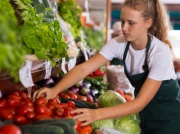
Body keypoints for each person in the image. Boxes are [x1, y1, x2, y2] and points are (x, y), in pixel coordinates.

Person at [33, 0, 180, 133]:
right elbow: (84, 68)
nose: (124, 28)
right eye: (122, 21)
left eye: (131, 22)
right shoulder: (120, 43)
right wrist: (55, 90)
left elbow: (140, 102)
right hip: (145, 115)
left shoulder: (160, 52)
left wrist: (96, 114)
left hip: (169, 119)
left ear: (148, 23)